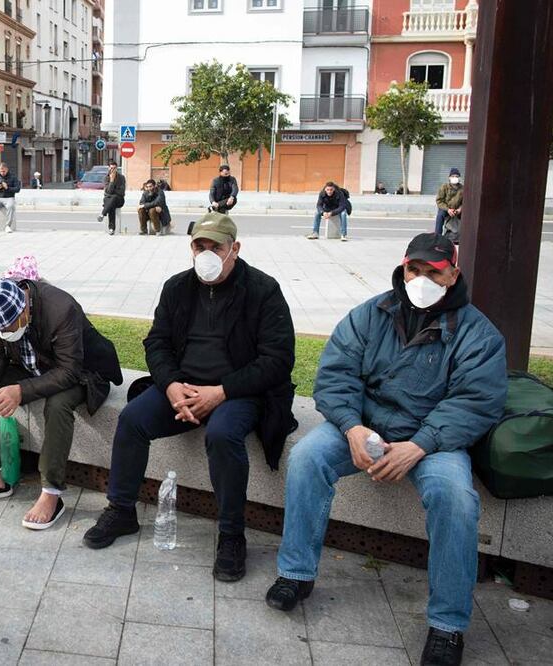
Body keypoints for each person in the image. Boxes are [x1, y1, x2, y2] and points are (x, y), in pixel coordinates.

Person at [266, 233, 507, 666]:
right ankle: (295, 573)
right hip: (367, 426)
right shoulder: (371, 313)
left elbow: (475, 402)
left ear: (453, 275)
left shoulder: (478, 334)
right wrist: (352, 427)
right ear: (403, 267)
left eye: (434, 272)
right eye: (415, 269)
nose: (421, 279)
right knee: (307, 457)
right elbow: (336, 375)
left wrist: (420, 445)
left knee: (455, 497)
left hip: (434, 442)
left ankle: (447, 625)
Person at [83, 212, 296, 584]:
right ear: (191, 248)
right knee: (132, 419)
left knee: (223, 434)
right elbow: (157, 342)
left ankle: (232, 535)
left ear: (234, 249)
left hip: (237, 391)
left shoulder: (263, 290)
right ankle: (122, 510)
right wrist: (170, 385)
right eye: (200, 246)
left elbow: (278, 359)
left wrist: (221, 391)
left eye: (216, 247)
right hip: (182, 387)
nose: (207, 254)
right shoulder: (177, 287)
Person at [0, 279, 121, 528]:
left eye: (10, 327)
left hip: (84, 373)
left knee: (57, 404)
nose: (6, 333)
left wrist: (21, 391)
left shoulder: (61, 308)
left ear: (24, 309)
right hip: (38, 367)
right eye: (1, 330)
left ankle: (51, 493)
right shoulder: (1, 308)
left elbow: (69, 371)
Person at [97, 163, 126, 235]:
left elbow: (121, 192)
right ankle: (111, 229)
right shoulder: (106, 178)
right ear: (109, 168)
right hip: (109, 199)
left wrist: (112, 190)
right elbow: (108, 191)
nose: (112, 170)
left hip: (119, 199)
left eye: (114, 168)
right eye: (111, 168)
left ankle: (103, 214)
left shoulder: (121, 178)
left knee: (114, 197)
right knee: (111, 206)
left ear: (116, 169)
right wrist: (112, 181)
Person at [435, 168, 463, 237]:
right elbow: (439, 201)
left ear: (459, 178)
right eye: (453, 176)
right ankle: (437, 236)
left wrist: (460, 209)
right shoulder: (444, 187)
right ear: (449, 177)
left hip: (457, 210)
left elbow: (465, 202)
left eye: (456, 176)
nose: (455, 178)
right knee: (440, 215)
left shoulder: (463, 188)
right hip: (446, 209)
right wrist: (448, 209)